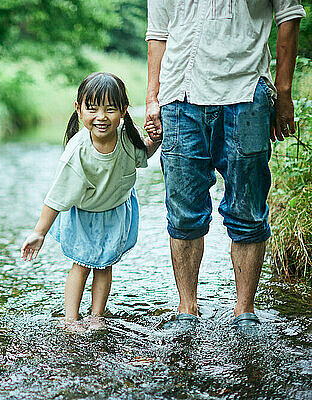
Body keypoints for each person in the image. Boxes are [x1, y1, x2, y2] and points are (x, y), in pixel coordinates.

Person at [144, 0, 306, 329]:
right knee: (184, 210)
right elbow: (158, 32)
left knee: (247, 208)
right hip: (179, 95)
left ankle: (244, 310)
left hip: (246, 91)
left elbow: (288, 16)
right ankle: (187, 308)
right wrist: (152, 98)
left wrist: (284, 92)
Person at [21, 72, 161, 331]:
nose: (101, 117)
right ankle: (71, 319)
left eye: (110, 109)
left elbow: (143, 157)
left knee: (105, 264)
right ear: (78, 109)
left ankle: (96, 317)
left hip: (115, 209)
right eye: (92, 108)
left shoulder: (127, 137)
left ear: (123, 111)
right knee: (82, 264)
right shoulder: (78, 150)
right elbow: (57, 195)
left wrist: (155, 141)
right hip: (83, 213)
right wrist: (38, 233)